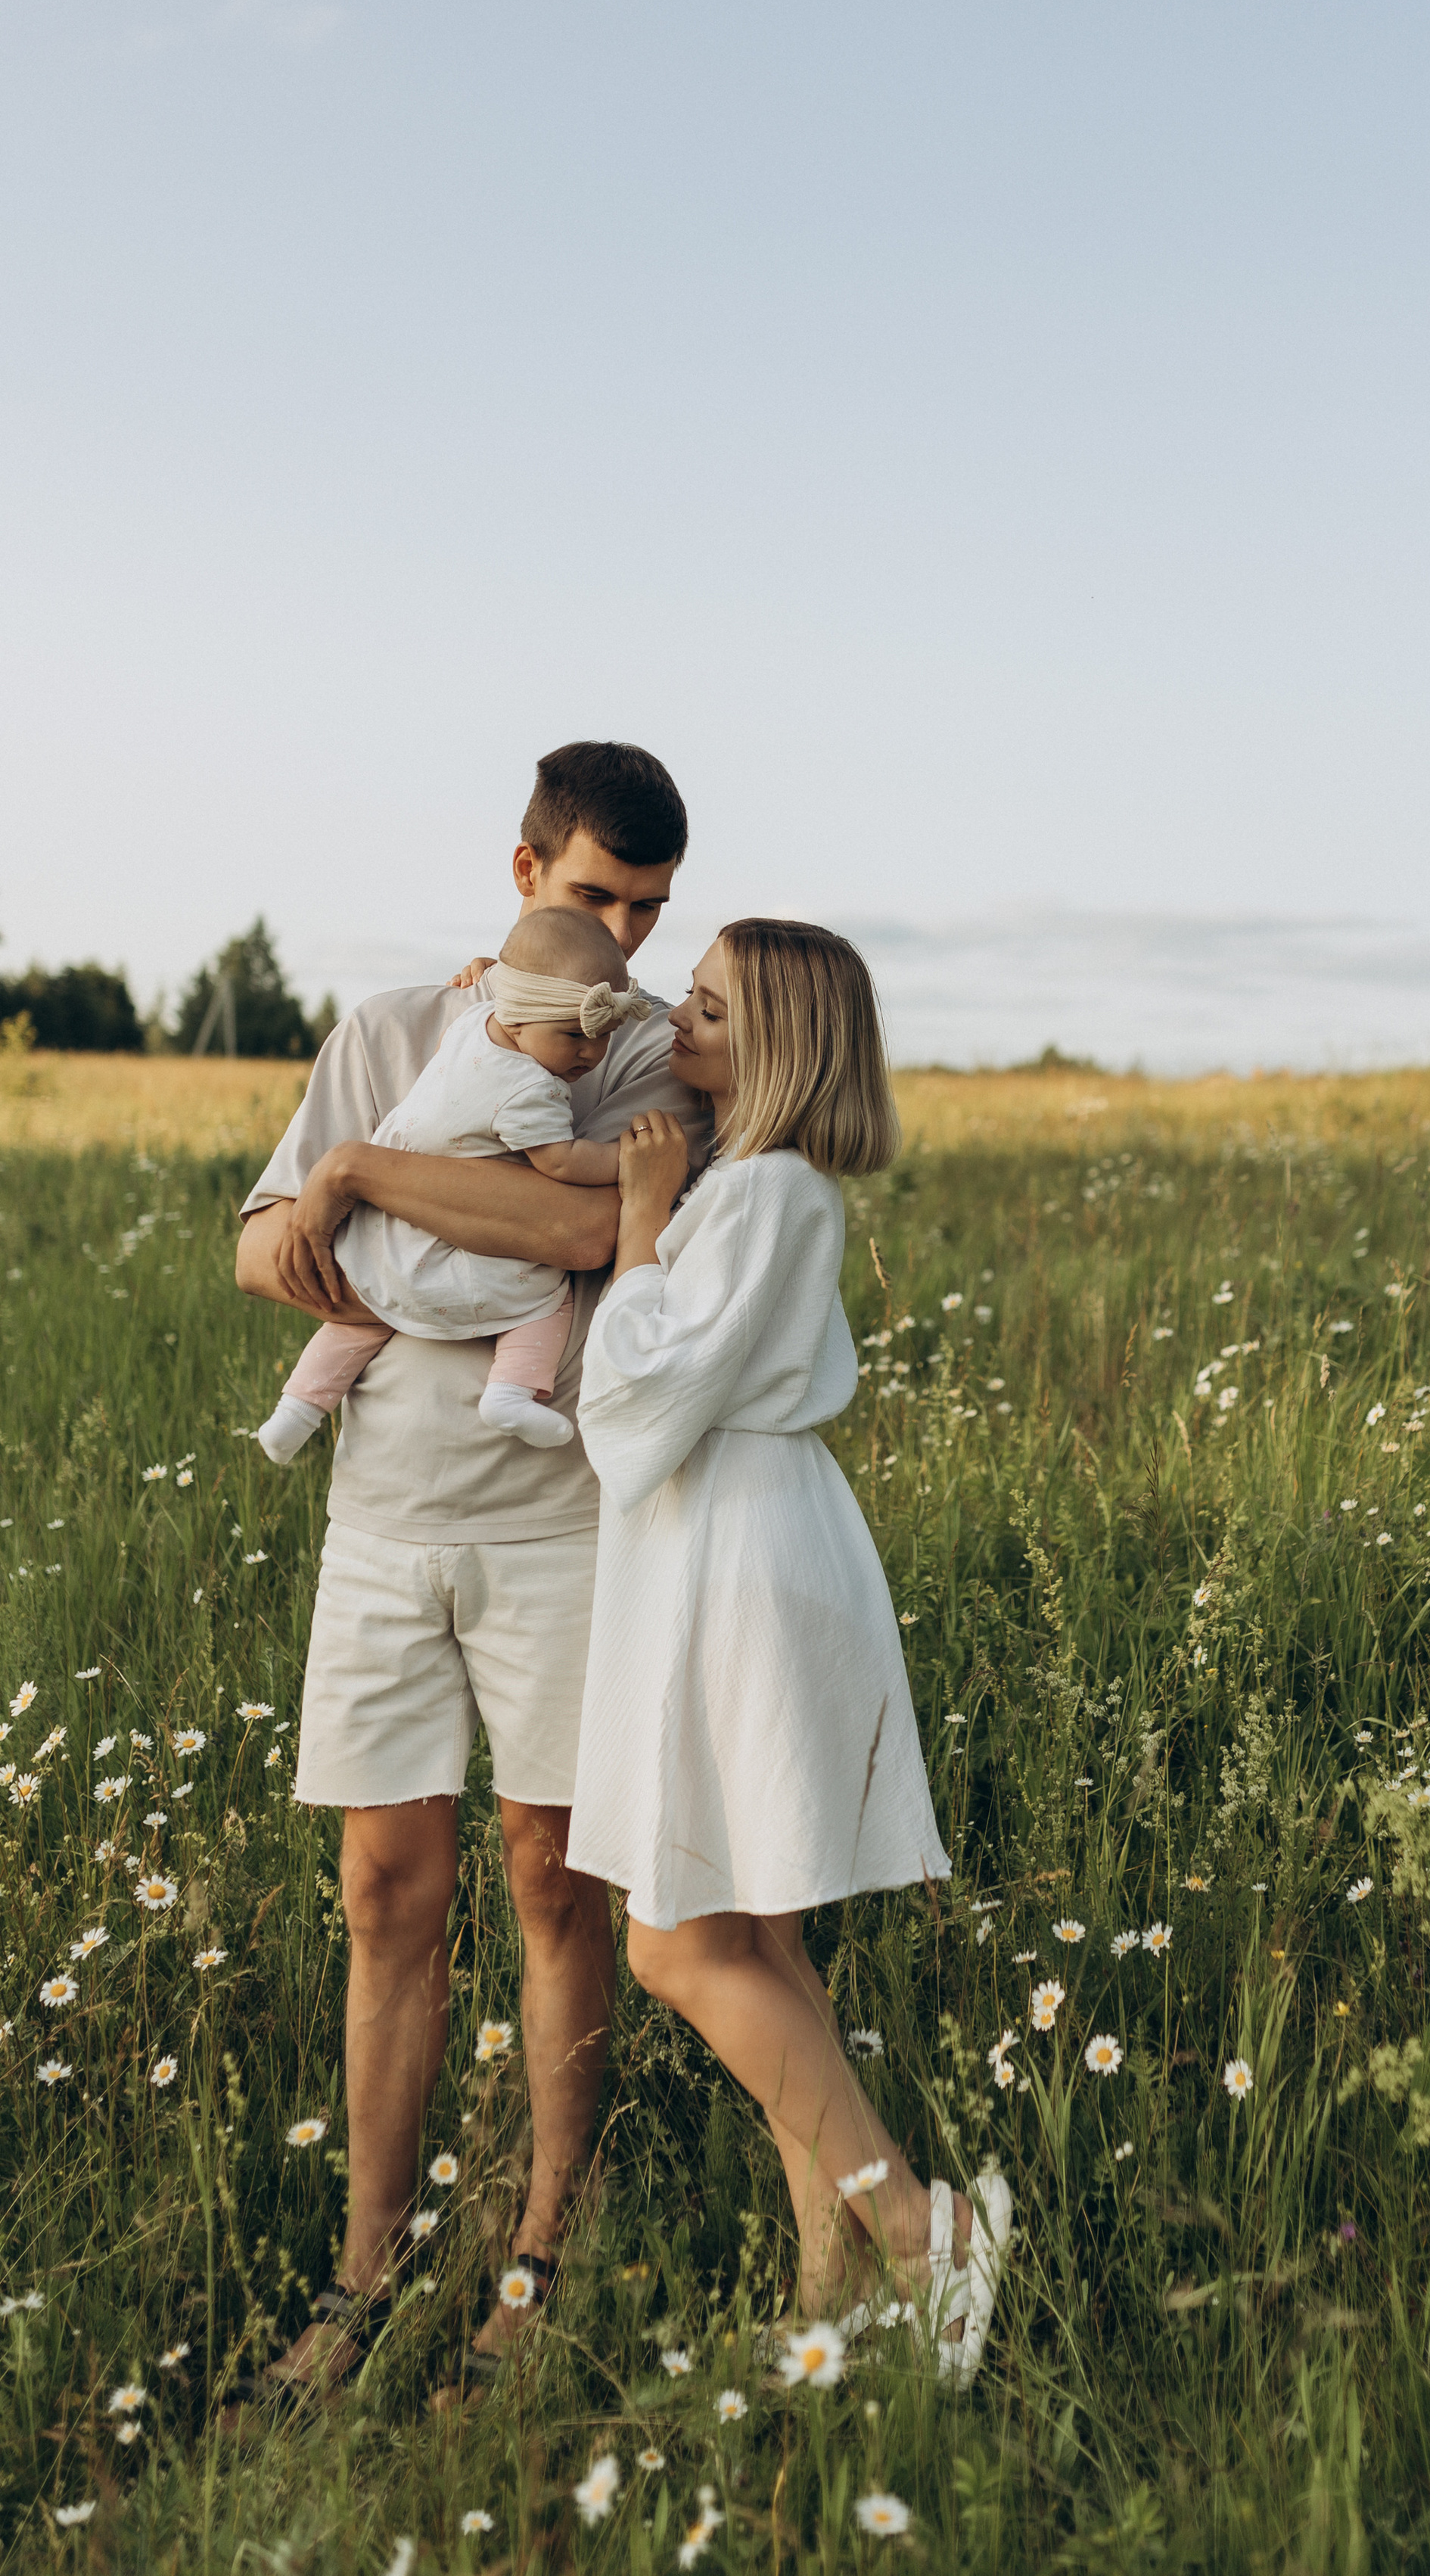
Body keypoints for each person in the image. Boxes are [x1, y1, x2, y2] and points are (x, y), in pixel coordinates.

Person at [232, 740, 707, 2400]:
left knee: (553, 1876)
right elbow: (257, 1240)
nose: (629, 943)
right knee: (384, 1891)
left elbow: (587, 1237)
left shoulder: (652, 1054)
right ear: (523, 875)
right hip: (384, 1522)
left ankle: (538, 2262)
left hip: (561, 1516)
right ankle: (367, 2278)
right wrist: (342, 1215)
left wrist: (369, 1192)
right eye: (596, 900)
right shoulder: (384, 1031)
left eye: (650, 909)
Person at [567, 919, 1012, 2389]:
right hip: (743, 1543)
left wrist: (638, 1223)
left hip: (732, 1554)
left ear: (778, 1046)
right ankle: (832, 2273)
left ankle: (917, 2231)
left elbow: (640, 1405)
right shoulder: (764, 1189)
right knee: (754, 1933)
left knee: (674, 1942)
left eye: (706, 1012)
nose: (678, 1029)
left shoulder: (757, 1195)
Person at [256, 906, 652, 1465]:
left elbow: (504, 1001)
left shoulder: (471, 1026)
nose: (590, 1054)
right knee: (545, 1299)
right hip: (448, 1235)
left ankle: (295, 1410)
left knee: (362, 1315)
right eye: (574, 1036)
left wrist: (493, 971)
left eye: (603, 1037)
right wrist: (624, 1161)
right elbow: (561, 1164)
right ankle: (511, 1391)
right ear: (518, 1017)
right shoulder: (529, 1091)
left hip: (382, 1223)